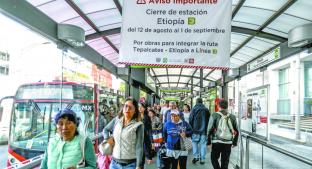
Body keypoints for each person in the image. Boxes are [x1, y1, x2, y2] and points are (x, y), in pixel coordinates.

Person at [103, 98, 144, 169]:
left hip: (130, 165)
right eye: (126, 106)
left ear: (135, 111)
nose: (127, 109)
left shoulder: (138, 125)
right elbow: (105, 129)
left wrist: (138, 166)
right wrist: (107, 138)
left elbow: (139, 147)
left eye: (130, 107)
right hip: (114, 164)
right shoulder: (117, 120)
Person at [207, 99, 239, 169]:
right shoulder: (232, 117)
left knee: (214, 158)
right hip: (228, 142)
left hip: (216, 142)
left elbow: (209, 129)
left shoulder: (214, 115)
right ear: (227, 107)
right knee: (225, 161)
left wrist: (208, 142)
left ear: (219, 106)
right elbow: (236, 130)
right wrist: (235, 142)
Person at [189, 98, 210, 164]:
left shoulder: (194, 109)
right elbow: (209, 120)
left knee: (194, 143)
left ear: (196, 102)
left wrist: (191, 128)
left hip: (195, 130)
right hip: (204, 131)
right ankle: (202, 159)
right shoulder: (206, 109)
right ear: (202, 102)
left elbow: (190, 119)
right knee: (203, 145)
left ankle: (196, 157)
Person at [138, 102, 153, 168]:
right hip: (136, 139)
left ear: (145, 108)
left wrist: (152, 141)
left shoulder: (147, 117)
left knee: (141, 159)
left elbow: (149, 130)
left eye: (141, 107)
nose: (140, 108)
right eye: (139, 107)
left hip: (144, 138)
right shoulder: (136, 117)